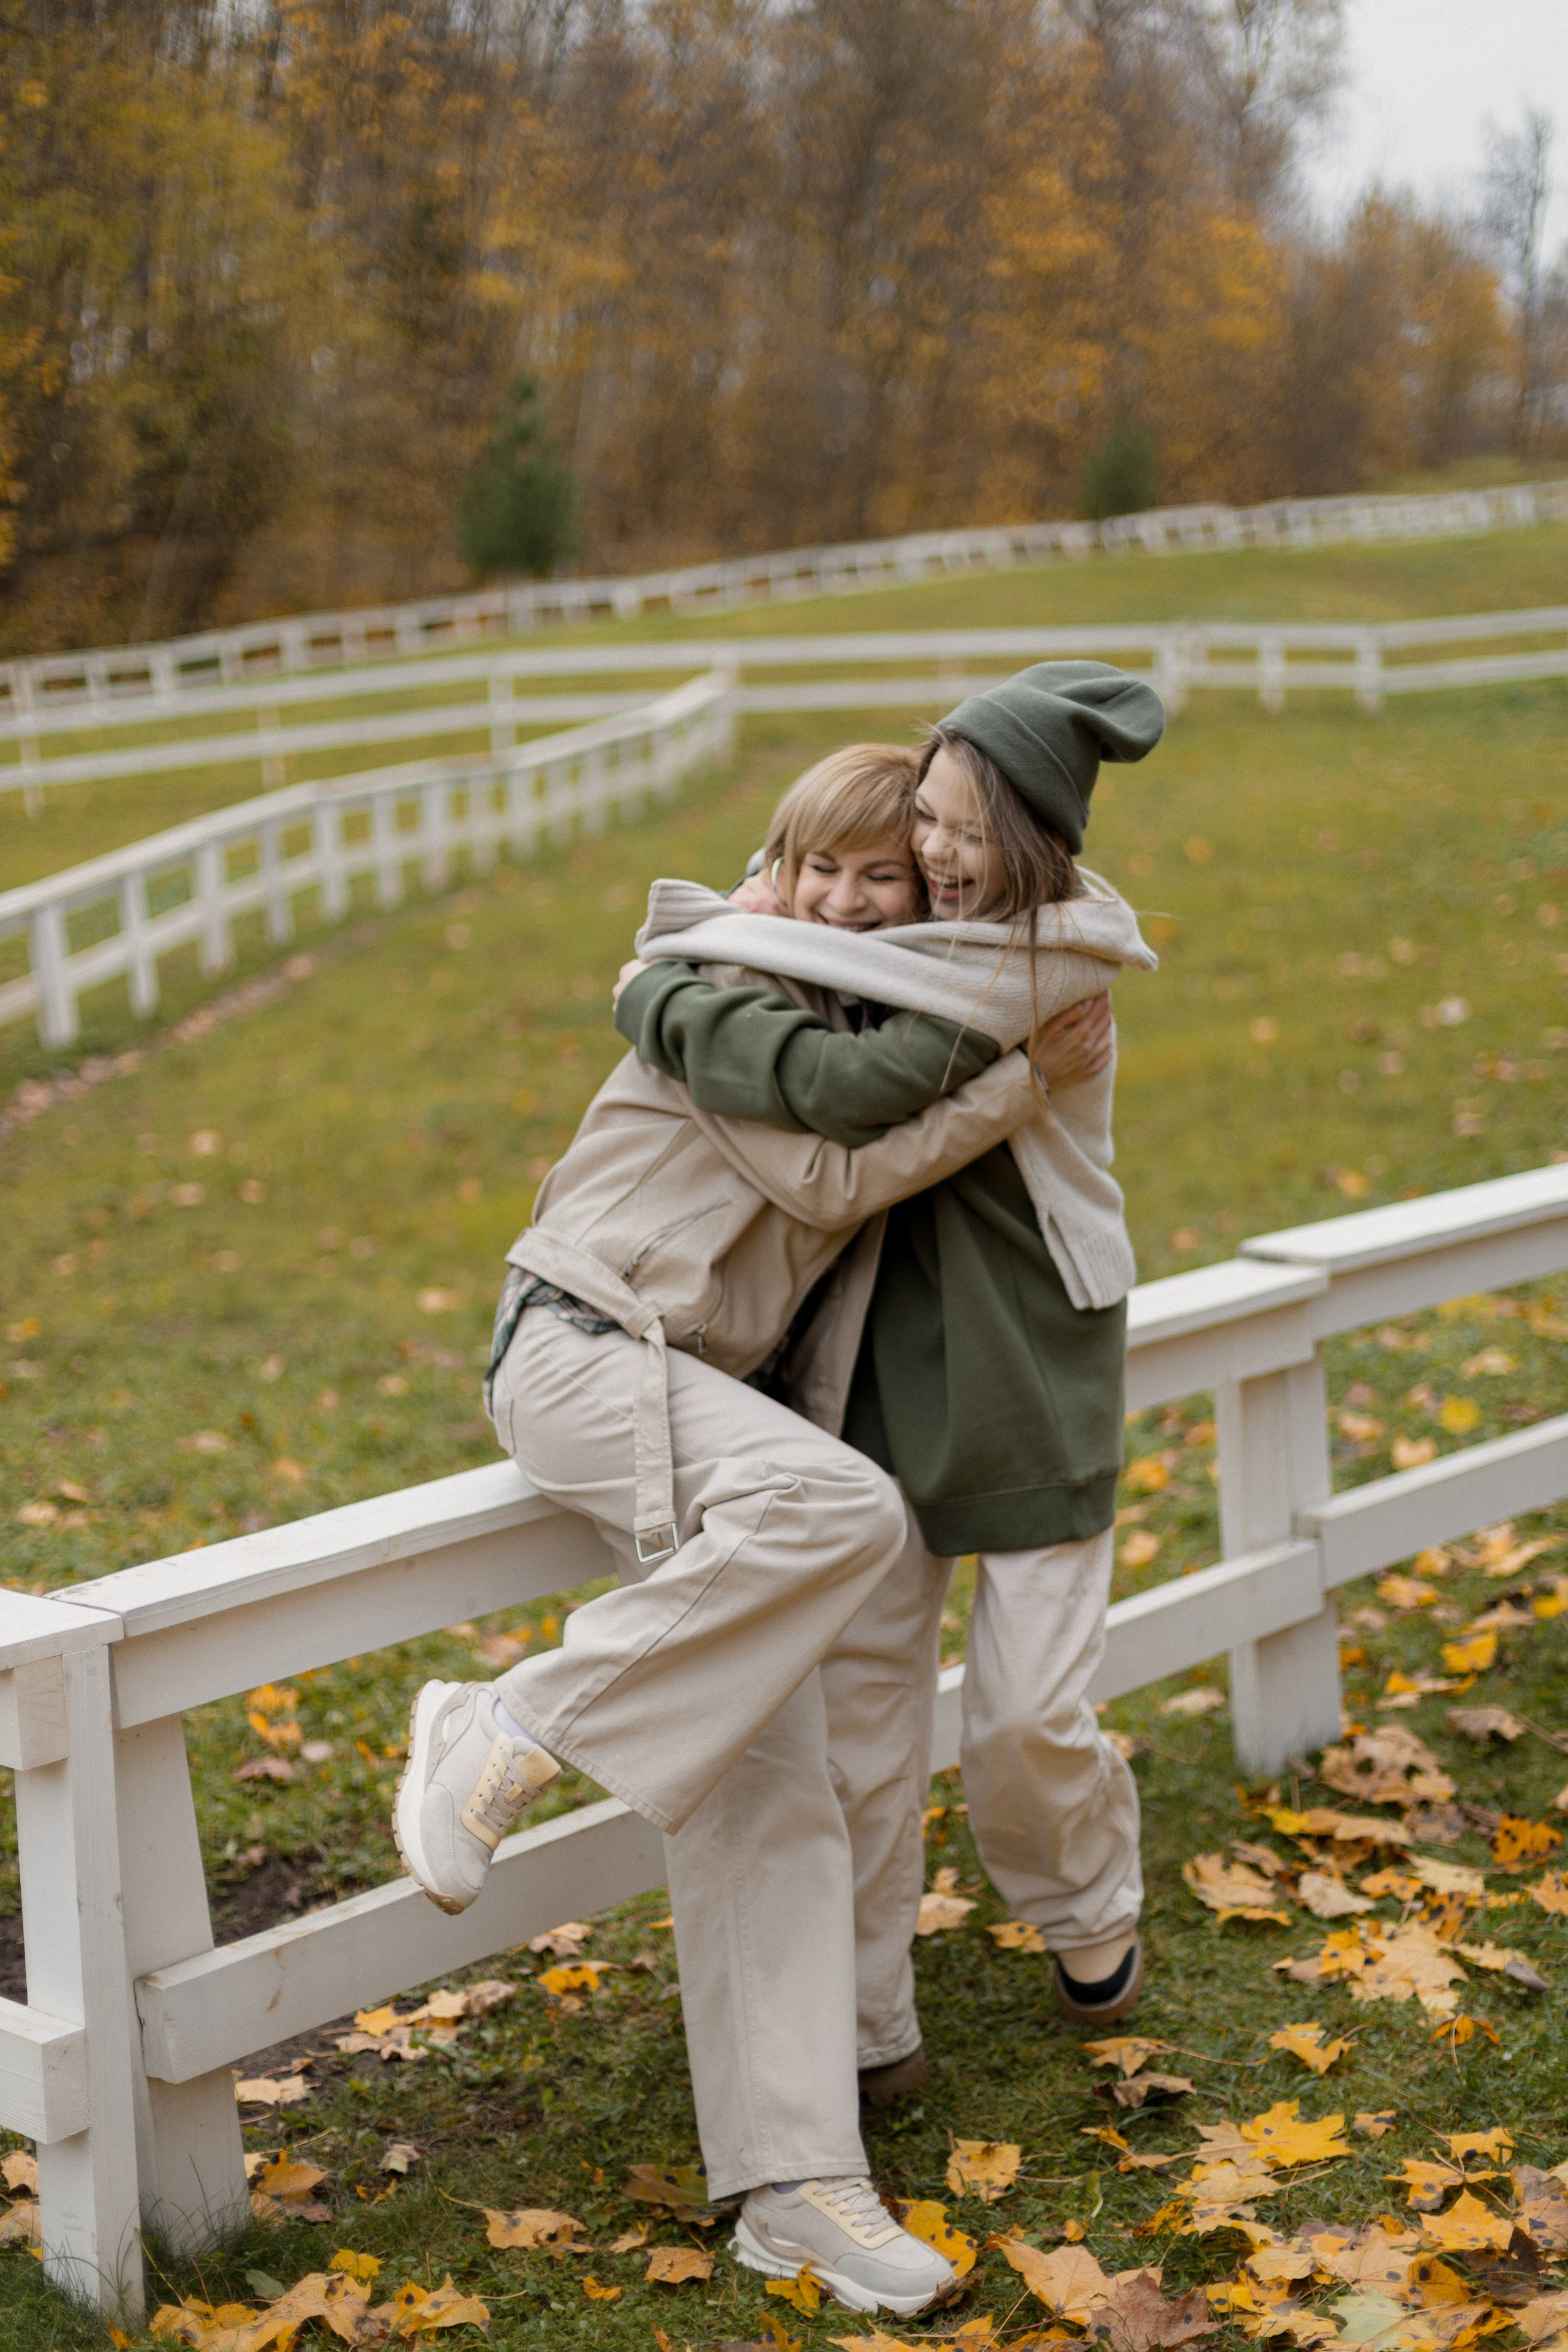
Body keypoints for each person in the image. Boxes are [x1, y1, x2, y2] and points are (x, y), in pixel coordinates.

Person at [394, 739, 1119, 2316]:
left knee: (770, 1783)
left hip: (698, 1403)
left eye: (887, 877)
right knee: (838, 1506)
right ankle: (507, 1720)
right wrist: (1020, 1078)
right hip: (586, 1348)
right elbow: (824, 1173)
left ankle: (796, 2188)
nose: (851, 902)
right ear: (772, 870)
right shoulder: (731, 987)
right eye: (823, 870)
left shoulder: (844, 996)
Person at [616, 659, 1163, 2057]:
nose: (931, 855)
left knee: (1028, 1714)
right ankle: (866, 2020)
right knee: (862, 1728)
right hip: (858, 1369)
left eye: (966, 834)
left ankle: (1087, 1902)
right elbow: (816, 919)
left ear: (1031, 846)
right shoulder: (874, 940)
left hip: (1025, 1361)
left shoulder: (1041, 966)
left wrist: (695, 956)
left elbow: (846, 1082)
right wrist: (751, 910)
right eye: (927, 819)